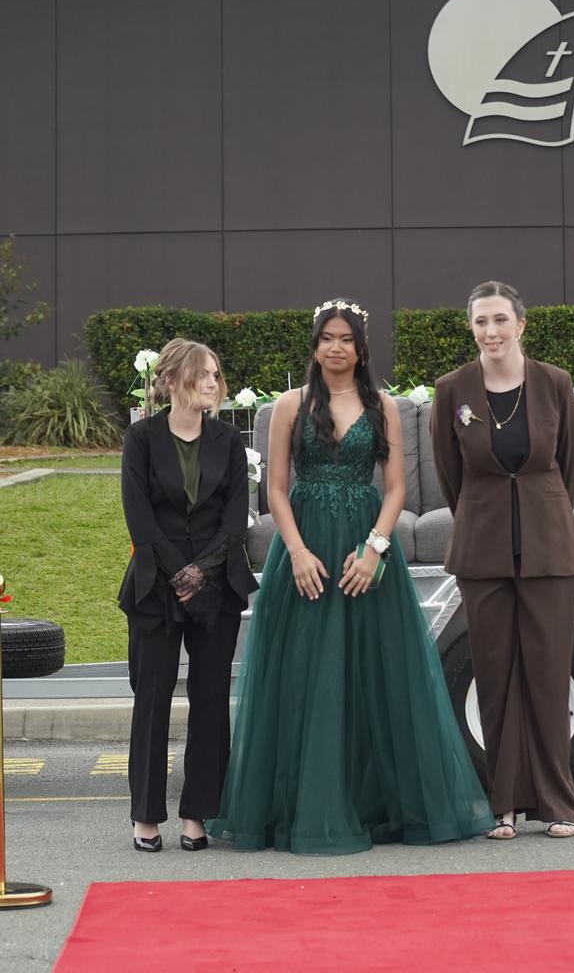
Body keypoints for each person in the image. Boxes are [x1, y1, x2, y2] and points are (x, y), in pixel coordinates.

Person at [206, 299, 494, 854]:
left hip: (366, 552)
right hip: (307, 553)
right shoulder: (289, 406)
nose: (335, 347)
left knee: (374, 675)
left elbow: (396, 490)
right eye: (326, 338)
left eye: (346, 339)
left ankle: (378, 806)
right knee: (308, 677)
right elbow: (275, 493)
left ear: (361, 348)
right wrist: (295, 552)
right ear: (314, 346)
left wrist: (375, 550)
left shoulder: (382, 406)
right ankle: (299, 808)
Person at [431, 281, 574, 840]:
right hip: (483, 549)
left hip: (548, 550)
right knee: (494, 676)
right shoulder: (453, 391)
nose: (490, 332)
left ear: (521, 324)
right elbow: (450, 475)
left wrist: (540, 515)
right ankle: (505, 806)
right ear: (470, 328)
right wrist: (486, 515)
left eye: (500, 320)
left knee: (548, 677)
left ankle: (559, 804)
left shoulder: (555, 384)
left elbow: (566, 468)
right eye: (480, 322)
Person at [118, 337, 257, 852]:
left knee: (210, 700)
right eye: (203, 374)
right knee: (152, 698)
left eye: (216, 375)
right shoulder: (141, 439)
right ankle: (146, 817)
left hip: (218, 586)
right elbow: (140, 517)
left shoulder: (227, 440)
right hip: (156, 586)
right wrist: (181, 572)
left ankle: (198, 814)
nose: (212, 383)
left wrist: (203, 571)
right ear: (172, 380)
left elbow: (234, 517)